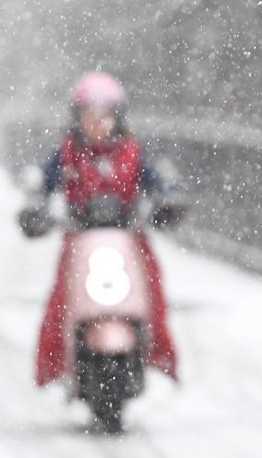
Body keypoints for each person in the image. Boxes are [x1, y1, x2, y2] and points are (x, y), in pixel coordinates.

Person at [21, 71, 180, 387]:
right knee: (60, 301)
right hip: (79, 240)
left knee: (152, 290)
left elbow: (157, 180)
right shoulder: (67, 154)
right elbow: (42, 182)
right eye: (88, 116)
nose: (96, 124)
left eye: (104, 116)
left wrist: (169, 199)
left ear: (118, 119)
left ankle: (157, 355)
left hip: (128, 239)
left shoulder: (133, 153)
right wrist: (34, 207)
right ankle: (56, 364)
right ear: (77, 119)